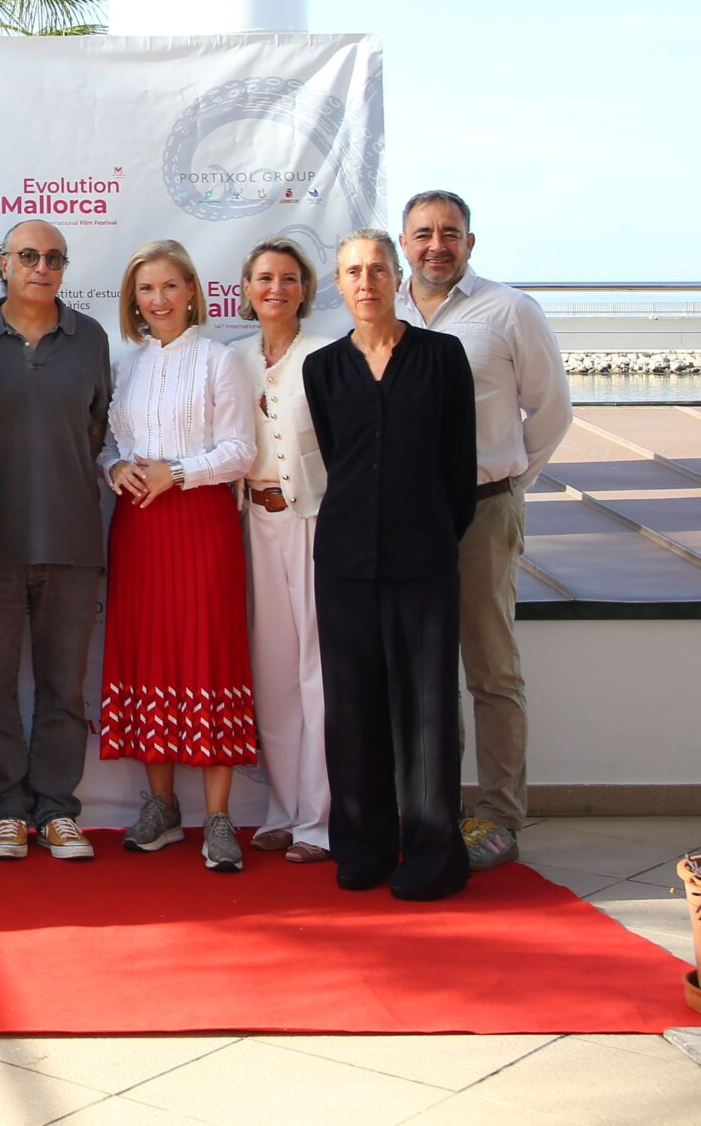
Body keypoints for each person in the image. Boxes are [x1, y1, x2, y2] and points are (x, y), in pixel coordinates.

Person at [393, 189, 571, 871]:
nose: (436, 245)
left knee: (491, 669)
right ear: (404, 243)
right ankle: (436, 808)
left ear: (470, 241)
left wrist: (507, 483)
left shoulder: (509, 310)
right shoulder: (383, 310)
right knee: (423, 671)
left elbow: (551, 411)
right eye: (423, 233)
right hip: (408, 518)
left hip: (484, 509)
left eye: (450, 232)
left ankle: (498, 815)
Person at [305, 227, 478, 901]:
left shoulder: (442, 357)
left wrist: (430, 533)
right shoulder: (323, 368)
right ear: (339, 284)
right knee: (353, 708)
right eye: (353, 271)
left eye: (377, 268)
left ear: (397, 275)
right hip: (344, 560)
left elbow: (458, 466)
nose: (366, 282)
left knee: (427, 709)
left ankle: (434, 854)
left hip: (424, 558)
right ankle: (364, 846)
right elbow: (339, 456)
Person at [99, 238, 260, 871]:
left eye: (169, 286)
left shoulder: (220, 360)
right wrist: (117, 470)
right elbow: (111, 444)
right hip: (139, 526)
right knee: (150, 654)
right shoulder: (127, 366)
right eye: (146, 289)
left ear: (192, 290)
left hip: (202, 522)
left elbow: (240, 451)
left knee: (210, 653)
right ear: (133, 299)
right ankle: (162, 807)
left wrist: (179, 473)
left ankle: (218, 817)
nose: (158, 299)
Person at [0, 218, 115, 862]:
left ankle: (56, 810)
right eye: (28, 255)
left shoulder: (91, 337)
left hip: (72, 542)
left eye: (55, 258)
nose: (42, 267)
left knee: (63, 689)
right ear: (3, 263)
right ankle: (5, 810)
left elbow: (96, 431)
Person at [231, 238, 333, 864]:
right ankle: (283, 810)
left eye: (289, 278)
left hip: (314, 520)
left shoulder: (327, 355)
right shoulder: (233, 359)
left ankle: (320, 821)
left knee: (316, 670)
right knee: (272, 671)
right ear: (246, 288)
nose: (276, 288)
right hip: (254, 521)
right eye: (265, 278)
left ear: (305, 289)